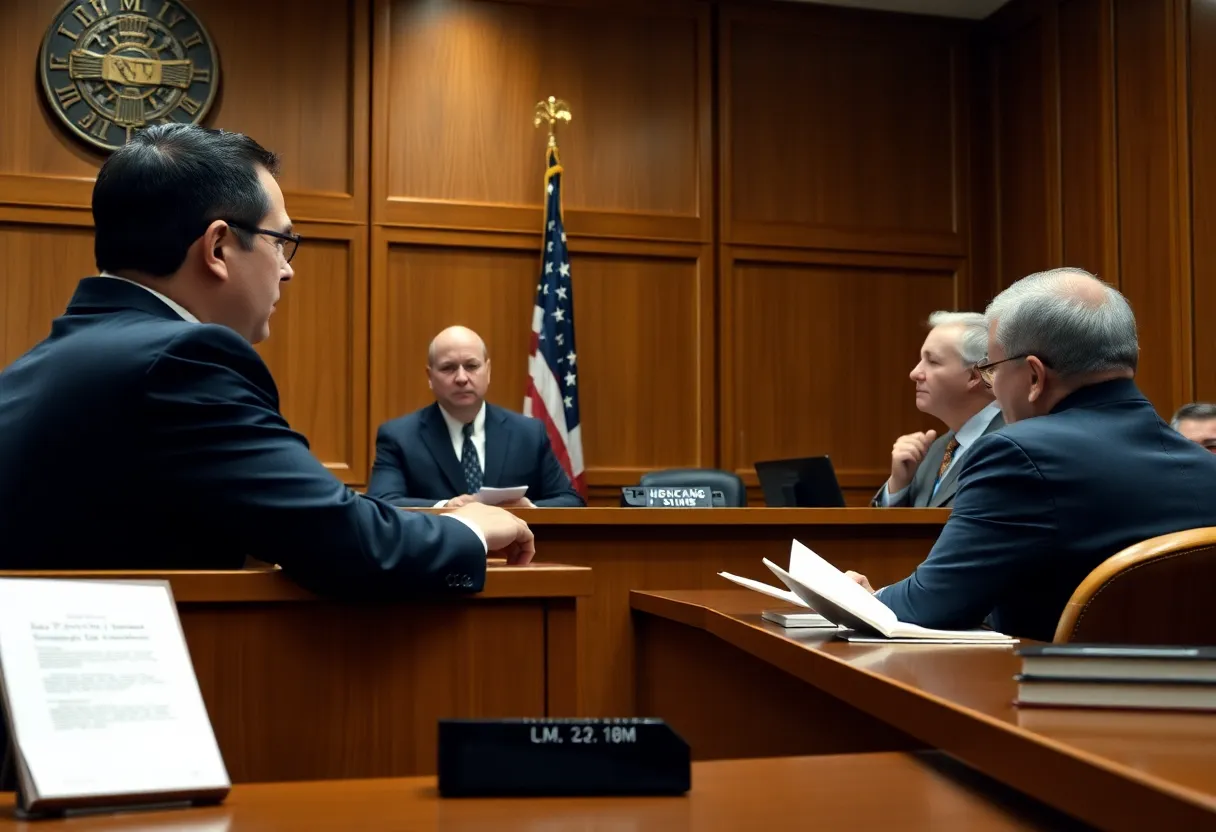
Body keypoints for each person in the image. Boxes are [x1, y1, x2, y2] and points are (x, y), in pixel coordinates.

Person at [0, 124, 534, 596]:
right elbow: (344, 544)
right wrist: (474, 530)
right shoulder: (184, 359)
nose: (287, 270)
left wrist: (432, 514)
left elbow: (265, 512)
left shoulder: (39, 364)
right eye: (281, 242)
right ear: (218, 248)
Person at [848, 268, 1216, 641]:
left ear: (1035, 376)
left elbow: (932, 606)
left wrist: (861, 599)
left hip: (1050, 692)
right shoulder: (1207, 466)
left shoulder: (1018, 453)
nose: (993, 387)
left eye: (991, 370)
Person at [367, 325, 585, 508]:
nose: (461, 378)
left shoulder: (528, 434)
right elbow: (381, 503)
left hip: (516, 554)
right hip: (437, 554)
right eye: (448, 368)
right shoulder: (399, 437)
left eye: (471, 366)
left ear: (488, 371)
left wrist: (529, 509)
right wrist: (445, 507)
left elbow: (571, 501)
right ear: (430, 377)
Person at [872, 311, 1003, 508]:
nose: (914, 373)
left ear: (975, 377)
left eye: (932, 361)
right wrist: (899, 486)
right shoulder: (934, 450)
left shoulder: (1011, 445)